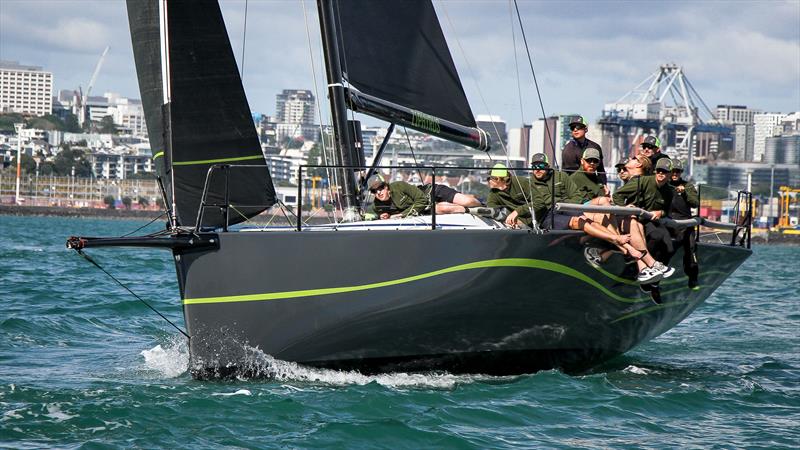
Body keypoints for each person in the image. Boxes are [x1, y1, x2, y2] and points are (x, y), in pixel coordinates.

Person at [612, 156, 676, 279]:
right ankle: (647, 265)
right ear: (655, 171)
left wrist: (660, 213)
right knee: (652, 233)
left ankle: (650, 272)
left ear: (670, 175)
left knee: (667, 244)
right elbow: (617, 196)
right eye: (659, 171)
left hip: (647, 220)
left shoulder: (669, 191)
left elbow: (667, 210)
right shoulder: (641, 181)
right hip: (633, 218)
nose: (661, 174)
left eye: (665, 171)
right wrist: (625, 207)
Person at [668, 159, 700, 289]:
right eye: (672, 171)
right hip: (668, 222)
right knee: (667, 248)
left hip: (685, 223)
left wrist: (685, 193)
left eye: (677, 171)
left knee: (691, 251)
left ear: (681, 173)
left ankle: (693, 278)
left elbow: (695, 203)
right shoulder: (663, 185)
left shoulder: (688, 186)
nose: (674, 174)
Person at [485, 163, 534, 228]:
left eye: (492, 178)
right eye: (489, 178)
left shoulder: (521, 182)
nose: (489, 180)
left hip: (537, 219)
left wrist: (517, 212)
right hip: (516, 223)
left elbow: (538, 201)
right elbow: (491, 209)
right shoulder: (494, 192)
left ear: (501, 179)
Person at [561, 115, 607, 184]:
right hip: (573, 185)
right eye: (572, 128)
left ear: (586, 129)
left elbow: (601, 170)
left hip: (593, 183)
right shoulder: (568, 150)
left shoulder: (595, 147)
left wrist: (604, 185)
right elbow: (571, 174)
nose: (575, 130)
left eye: (578, 127)